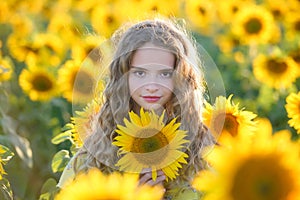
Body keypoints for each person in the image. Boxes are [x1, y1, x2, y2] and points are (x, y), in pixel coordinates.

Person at [57, 17, 216, 199]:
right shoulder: (92, 157)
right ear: (123, 77)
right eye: (140, 73)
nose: (151, 85)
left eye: (164, 74)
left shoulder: (204, 153)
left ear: (181, 78)